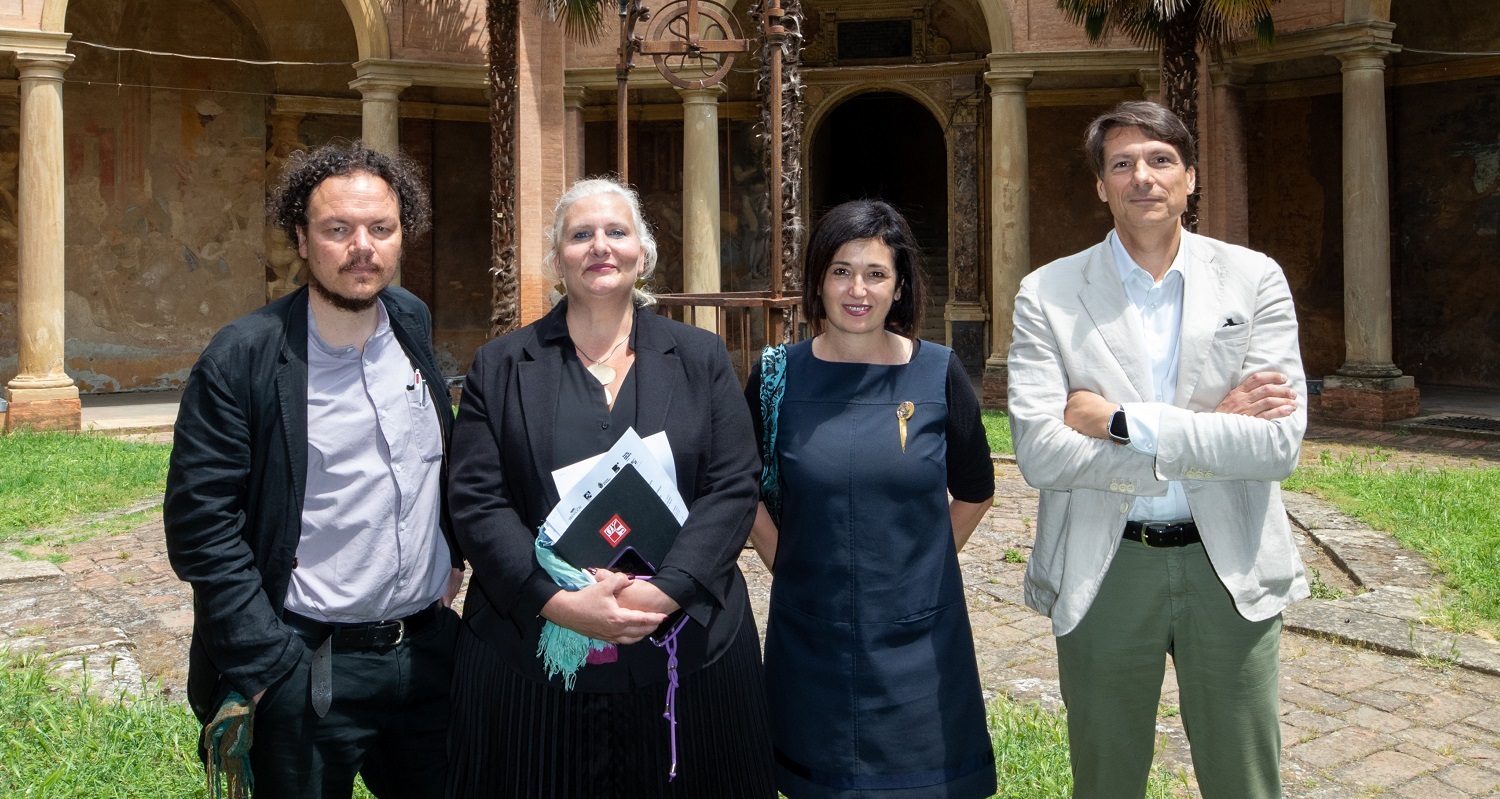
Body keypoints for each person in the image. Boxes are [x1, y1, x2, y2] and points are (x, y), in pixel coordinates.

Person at [1006, 101, 1307, 798]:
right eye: (1122, 163)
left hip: (1227, 560)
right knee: (1106, 780)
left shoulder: (1253, 280)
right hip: (1106, 564)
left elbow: (1276, 444)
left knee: (1245, 781)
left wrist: (1119, 420)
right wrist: (1212, 426)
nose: (1143, 176)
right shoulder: (1047, 294)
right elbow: (1041, 454)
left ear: (1191, 177)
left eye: (1161, 159)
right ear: (1100, 186)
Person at [445, 177, 775, 798]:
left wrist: (666, 593)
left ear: (642, 254)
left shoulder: (701, 357)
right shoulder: (501, 364)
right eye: (581, 234)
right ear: (558, 258)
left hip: (686, 650)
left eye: (617, 232)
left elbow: (733, 486)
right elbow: (477, 501)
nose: (600, 246)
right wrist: (556, 602)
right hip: (534, 657)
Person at [164, 140, 465, 798]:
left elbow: (437, 461)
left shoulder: (410, 321)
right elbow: (199, 523)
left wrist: (455, 555)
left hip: (426, 659)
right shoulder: (244, 356)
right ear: (301, 239)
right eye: (338, 229)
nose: (363, 246)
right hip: (308, 667)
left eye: (381, 228)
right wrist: (269, 663)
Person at [744, 199, 997, 799]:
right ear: (818, 281)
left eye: (876, 273)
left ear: (899, 285)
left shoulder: (937, 373)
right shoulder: (777, 378)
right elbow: (740, 487)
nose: (858, 289)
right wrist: (788, 561)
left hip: (921, 645)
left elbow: (976, 489)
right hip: (812, 638)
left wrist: (922, 568)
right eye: (840, 271)